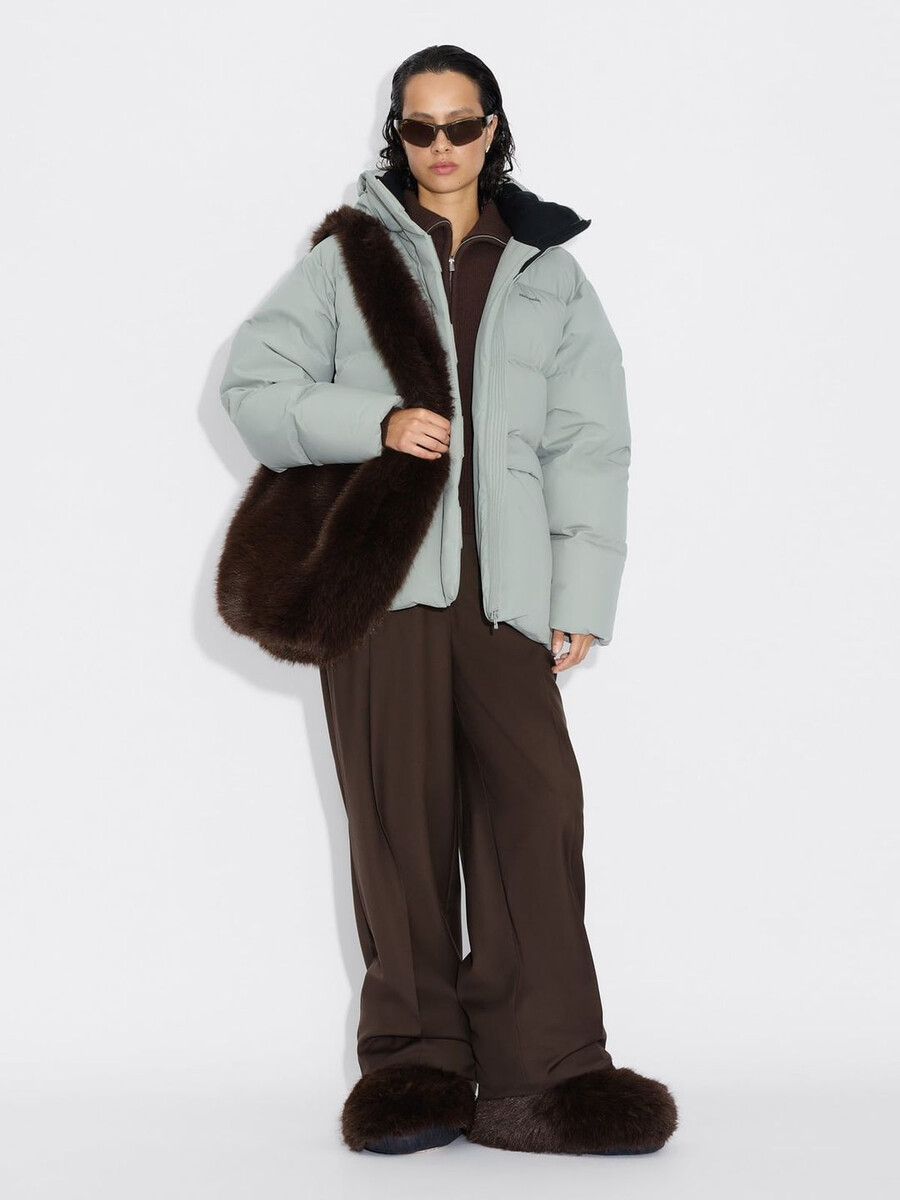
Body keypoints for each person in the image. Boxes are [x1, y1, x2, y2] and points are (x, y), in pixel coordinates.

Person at [219, 44, 678, 1157]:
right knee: (397, 820)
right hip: (384, 585)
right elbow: (255, 386)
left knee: (536, 811)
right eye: (419, 128)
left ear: (491, 130)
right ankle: (417, 1069)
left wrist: (582, 590)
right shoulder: (348, 259)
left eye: (459, 126)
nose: (440, 147)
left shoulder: (549, 272)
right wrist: (373, 424)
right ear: (399, 135)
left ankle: (543, 1076)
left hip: (506, 591)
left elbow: (590, 442)